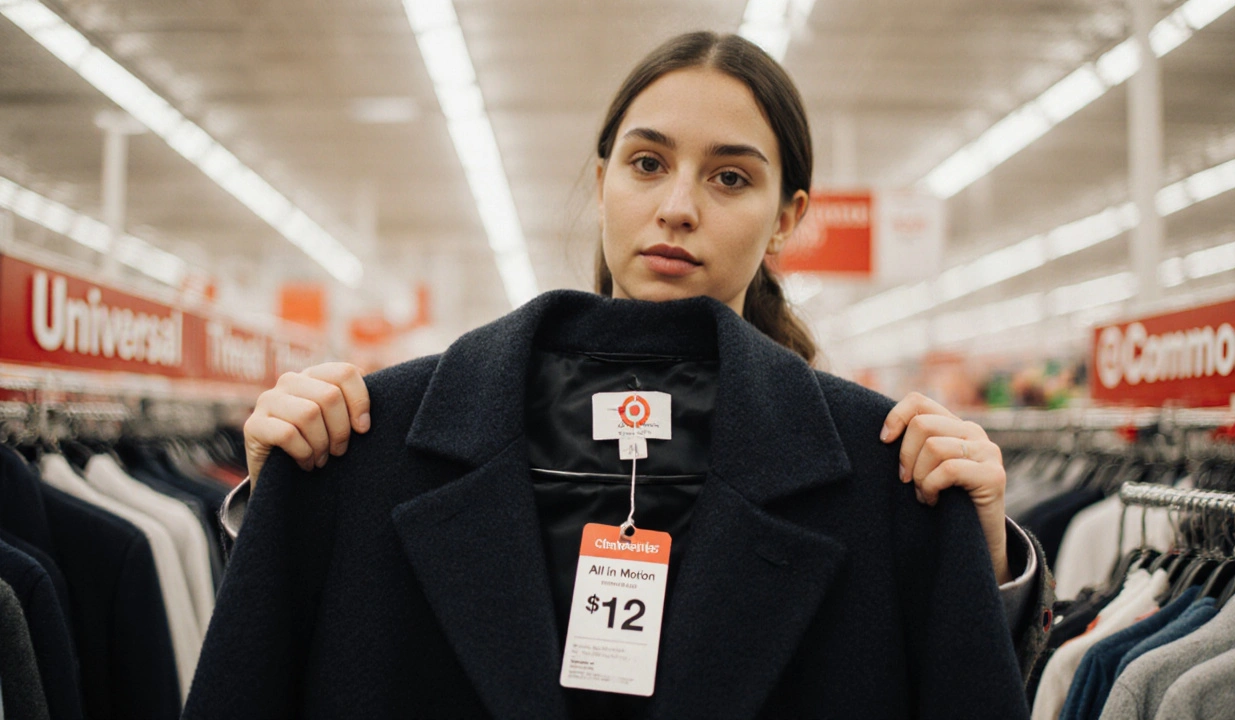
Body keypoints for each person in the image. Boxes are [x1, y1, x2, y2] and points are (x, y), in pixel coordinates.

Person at [218, 29, 1051, 693]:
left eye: (729, 178)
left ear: (788, 217)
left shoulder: (885, 475)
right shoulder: (375, 439)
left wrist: (981, 566)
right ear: (604, 178)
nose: (678, 207)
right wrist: (285, 503)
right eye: (647, 164)